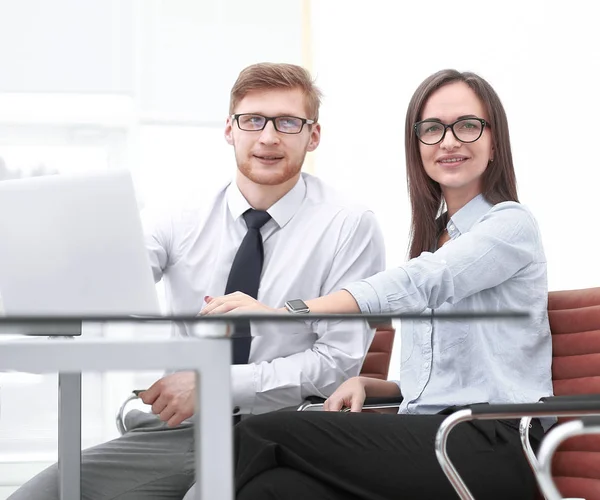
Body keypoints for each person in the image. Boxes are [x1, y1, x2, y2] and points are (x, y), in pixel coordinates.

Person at [10, 63, 386, 500]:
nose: (268, 137)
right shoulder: (180, 213)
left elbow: (335, 365)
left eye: (287, 122)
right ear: (230, 130)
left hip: (283, 430)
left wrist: (215, 383)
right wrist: (48, 271)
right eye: (253, 121)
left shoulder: (349, 225)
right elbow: (107, 278)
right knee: (41, 494)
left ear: (313, 135)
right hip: (180, 431)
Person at [203, 69, 554, 499]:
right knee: (276, 487)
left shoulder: (510, 224)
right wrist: (374, 387)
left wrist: (285, 311)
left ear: (494, 141)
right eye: (432, 129)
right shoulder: (440, 236)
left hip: (493, 443)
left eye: (467, 125)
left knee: (258, 434)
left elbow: (423, 282)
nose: (448, 141)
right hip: (432, 433)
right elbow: (448, 381)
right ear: (417, 145)